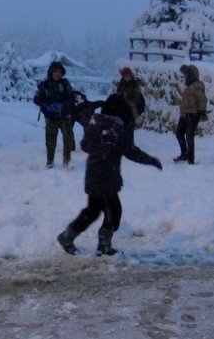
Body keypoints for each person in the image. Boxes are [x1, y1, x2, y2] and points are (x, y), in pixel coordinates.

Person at [56, 94, 162, 256]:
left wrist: (99, 148)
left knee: (92, 211)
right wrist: (151, 160)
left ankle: (68, 236)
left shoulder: (94, 124)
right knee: (113, 212)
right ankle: (101, 244)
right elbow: (131, 152)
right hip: (107, 178)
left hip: (93, 176)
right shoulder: (117, 130)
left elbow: (85, 146)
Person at [33, 61, 76, 168]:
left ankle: (67, 161)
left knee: (68, 139)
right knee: (50, 141)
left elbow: (72, 97)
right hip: (50, 118)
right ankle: (50, 161)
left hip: (64, 116)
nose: (57, 74)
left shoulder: (65, 83)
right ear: (51, 72)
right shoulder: (44, 85)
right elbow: (36, 99)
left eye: (59, 72)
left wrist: (63, 105)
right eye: (55, 71)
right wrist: (46, 106)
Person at [174, 64, 207, 164]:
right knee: (179, 133)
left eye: (186, 76)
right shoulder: (189, 87)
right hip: (184, 114)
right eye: (184, 76)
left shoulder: (196, 86)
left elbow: (203, 99)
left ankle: (191, 158)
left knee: (189, 135)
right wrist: (178, 89)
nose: (185, 78)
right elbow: (186, 98)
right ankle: (184, 154)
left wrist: (202, 111)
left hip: (193, 115)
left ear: (192, 76)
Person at [115, 67, 145, 136]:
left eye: (128, 76)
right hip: (121, 113)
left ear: (131, 76)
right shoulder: (121, 85)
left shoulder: (134, 85)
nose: (127, 78)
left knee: (129, 133)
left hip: (131, 112)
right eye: (125, 76)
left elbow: (137, 98)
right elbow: (118, 96)